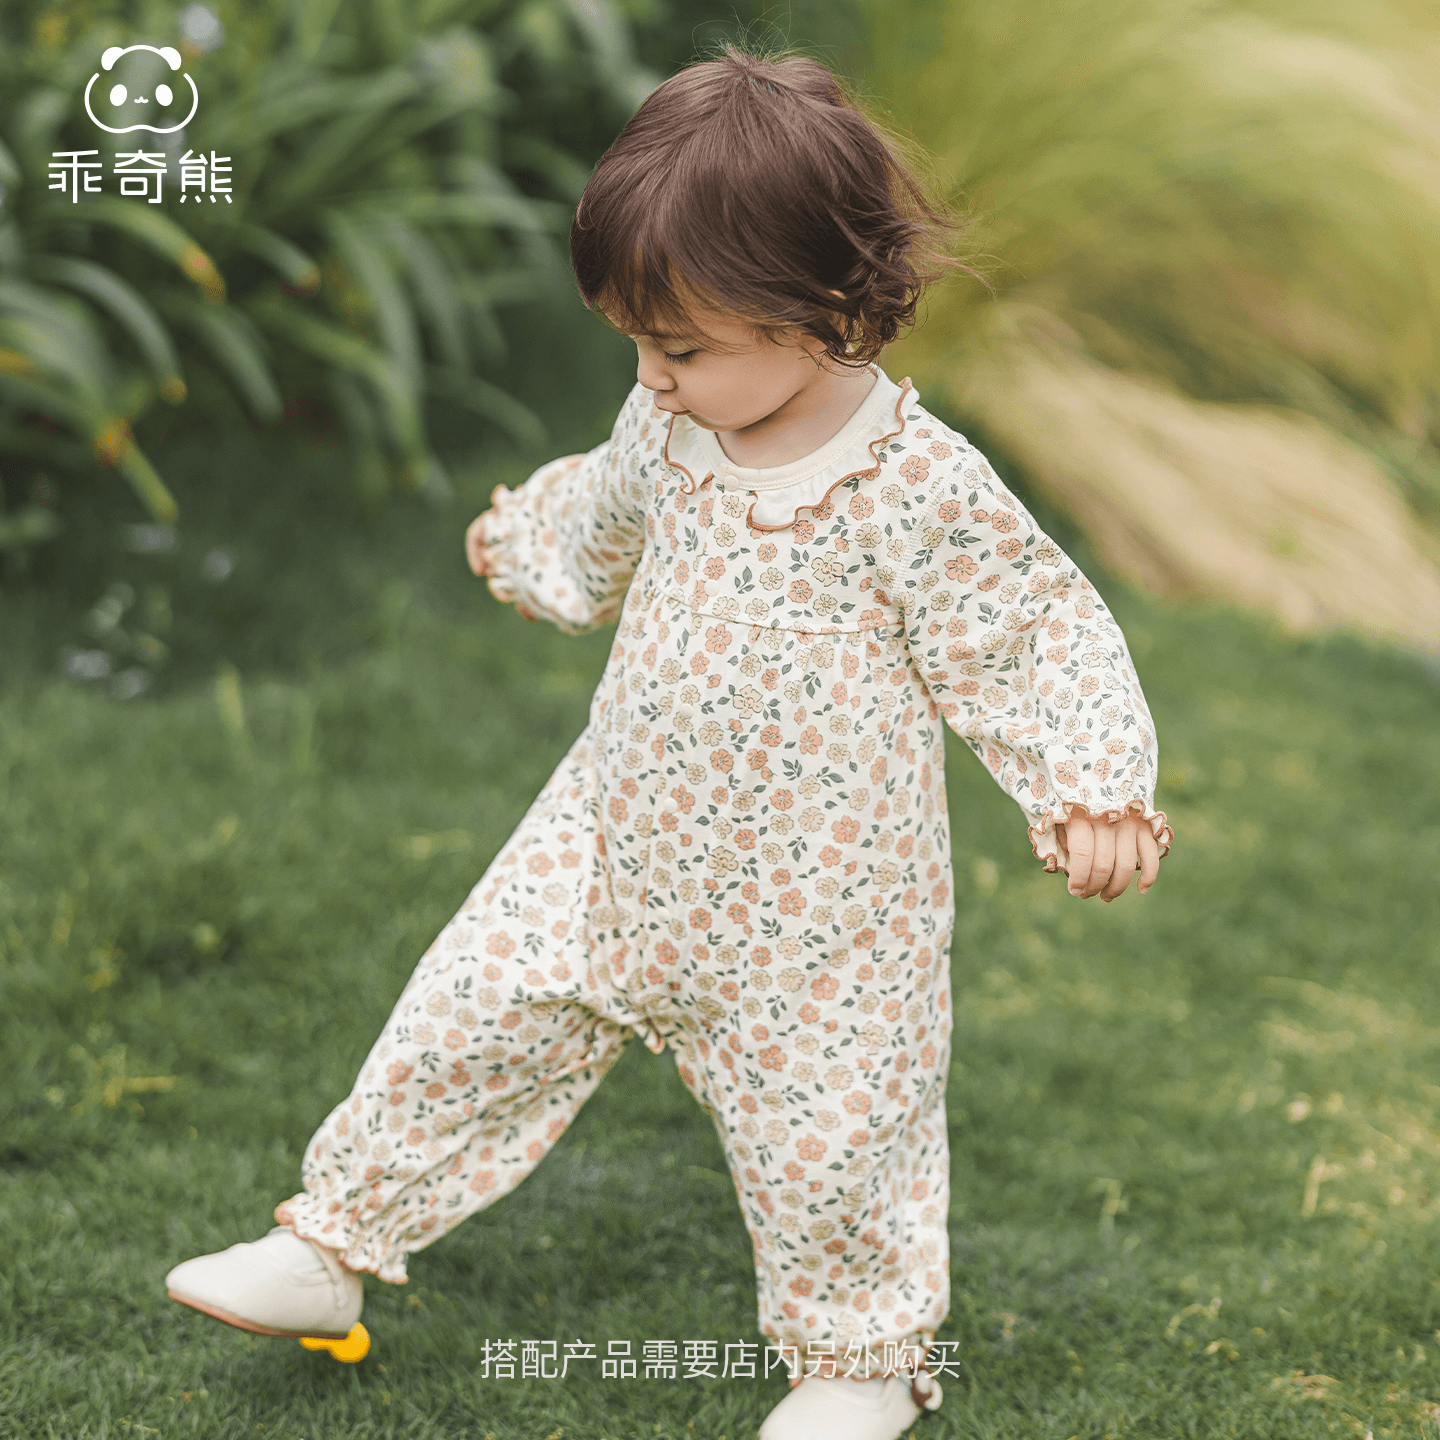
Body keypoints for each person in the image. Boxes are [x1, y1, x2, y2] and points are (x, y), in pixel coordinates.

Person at [164, 44, 1172, 1440]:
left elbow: (1034, 634)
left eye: (681, 348)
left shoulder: (916, 488)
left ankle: (860, 1363)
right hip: (613, 840)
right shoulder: (669, 426)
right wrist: (530, 542)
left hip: (820, 909)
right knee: (466, 1016)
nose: (650, 377)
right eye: (637, 345)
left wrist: (1094, 785)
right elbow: (602, 514)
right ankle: (331, 1240)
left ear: (823, 307)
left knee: (835, 1135)